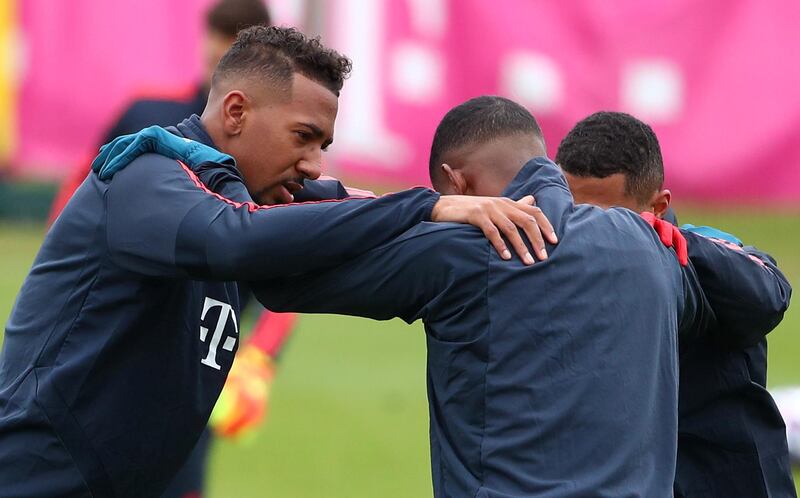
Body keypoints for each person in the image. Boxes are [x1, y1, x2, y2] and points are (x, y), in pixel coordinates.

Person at [0, 28, 551, 498]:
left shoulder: (245, 191)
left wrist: (446, 214)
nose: (313, 164)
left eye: (324, 144)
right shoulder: (147, 175)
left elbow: (335, 201)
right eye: (303, 137)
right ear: (236, 111)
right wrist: (425, 203)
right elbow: (233, 240)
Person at [238, 95, 773, 497]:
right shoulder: (651, 244)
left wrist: (403, 206)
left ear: (457, 183)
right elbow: (766, 296)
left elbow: (279, 267)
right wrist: (684, 241)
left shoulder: (464, 248)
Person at [45, 3, 281, 497]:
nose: (222, 50)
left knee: (177, 477)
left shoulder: (272, 147)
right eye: (218, 36)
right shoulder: (147, 115)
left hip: (200, 353)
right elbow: (76, 202)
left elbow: (294, 254)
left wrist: (257, 359)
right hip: (116, 334)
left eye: (238, 39)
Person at [554, 111, 795, 497]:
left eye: (611, 219)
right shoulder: (551, 257)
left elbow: (769, 296)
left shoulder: (700, 251)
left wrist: (678, 248)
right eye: (574, 212)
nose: (588, 232)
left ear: (658, 206)